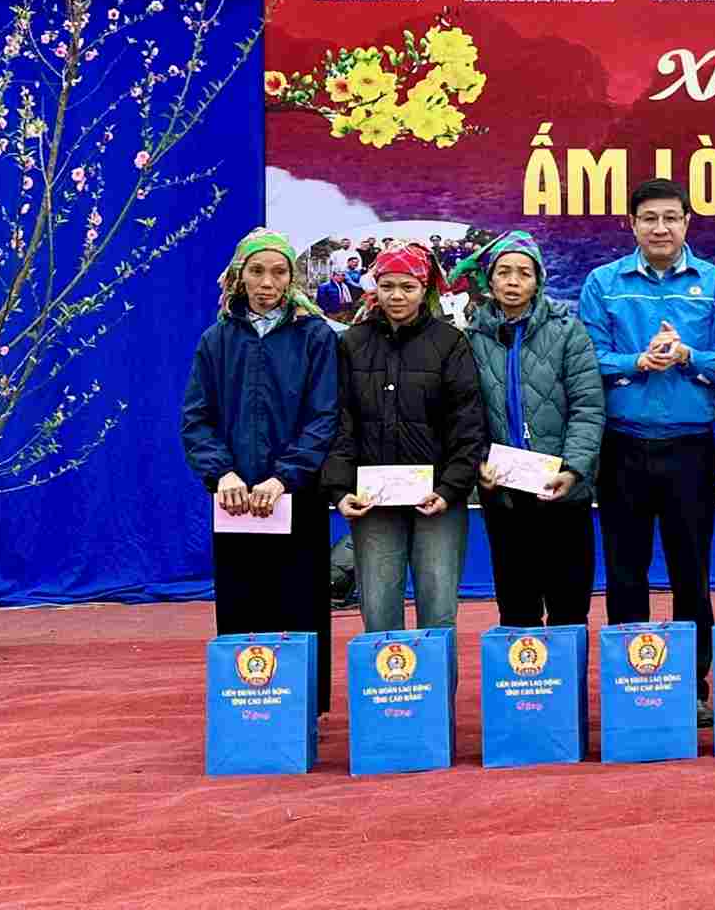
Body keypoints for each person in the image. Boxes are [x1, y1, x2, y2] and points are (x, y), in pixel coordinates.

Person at [579, 178, 715, 726]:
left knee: (691, 573)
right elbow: (588, 359)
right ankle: (633, 681)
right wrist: (638, 362)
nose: (660, 228)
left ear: (687, 223)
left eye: (671, 218)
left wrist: (688, 354)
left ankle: (693, 686)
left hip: (689, 448)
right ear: (632, 224)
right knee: (625, 572)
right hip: (621, 446)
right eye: (649, 218)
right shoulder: (602, 283)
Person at [180, 228, 339, 714]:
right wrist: (223, 475)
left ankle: (301, 712)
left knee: (300, 602)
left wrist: (284, 477)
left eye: (278, 272)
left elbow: (324, 416)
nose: (267, 282)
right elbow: (197, 419)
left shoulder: (315, 337)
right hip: (236, 502)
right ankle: (246, 709)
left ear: (292, 278)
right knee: (241, 601)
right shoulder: (217, 340)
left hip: (297, 497)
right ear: (238, 276)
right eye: (256, 271)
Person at [323, 243, 487, 640]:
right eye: (387, 286)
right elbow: (340, 422)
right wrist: (340, 490)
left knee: (438, 613)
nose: (397, 296)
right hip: (373, 503)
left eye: (408, 287)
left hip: (438, 502)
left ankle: (436, 686)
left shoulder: (450, 342)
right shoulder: (351, 344)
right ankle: (385, 683)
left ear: (424, 288)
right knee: (378, 613)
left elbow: (467, 422)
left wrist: (450, 489)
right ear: (375, 288)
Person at [455, 230, 606, 629]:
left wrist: (573, 469)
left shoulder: (568, 331)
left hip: (562, 490)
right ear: (489, 280)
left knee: (568, 606)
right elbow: (465, 414)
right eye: (503, 272)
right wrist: (479, 463)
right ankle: (524, 672)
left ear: (538, 279)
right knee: (516, 606)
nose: (513, 281)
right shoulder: (471, 337)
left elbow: (588, 407)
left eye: (524, 273)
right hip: (504, 494)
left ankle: (567, 673)